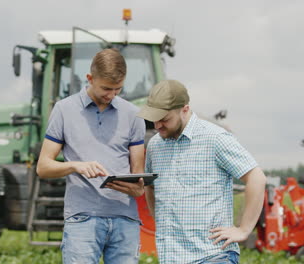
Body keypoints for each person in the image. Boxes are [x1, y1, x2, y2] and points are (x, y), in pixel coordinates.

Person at [137, 80, 266, 264]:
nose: (157, 126)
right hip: (172, 257)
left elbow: (256, 177)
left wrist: (244, 229)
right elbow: (150, 186)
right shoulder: (155, 145)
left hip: (212, 256)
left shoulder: (215, 138)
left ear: (184, 109)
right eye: (154, 120)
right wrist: (161, 221)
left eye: (164, 119)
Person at [36, 48, 146, 264]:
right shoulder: (63, 110)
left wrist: (138, 187)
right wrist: (76, 166)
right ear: (90, 78)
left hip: (125, 219)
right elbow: (43, 166)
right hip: (82, 218)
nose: (111, 95)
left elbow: (138, 177)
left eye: (118, 89)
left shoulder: (134, 114)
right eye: (106, 88)